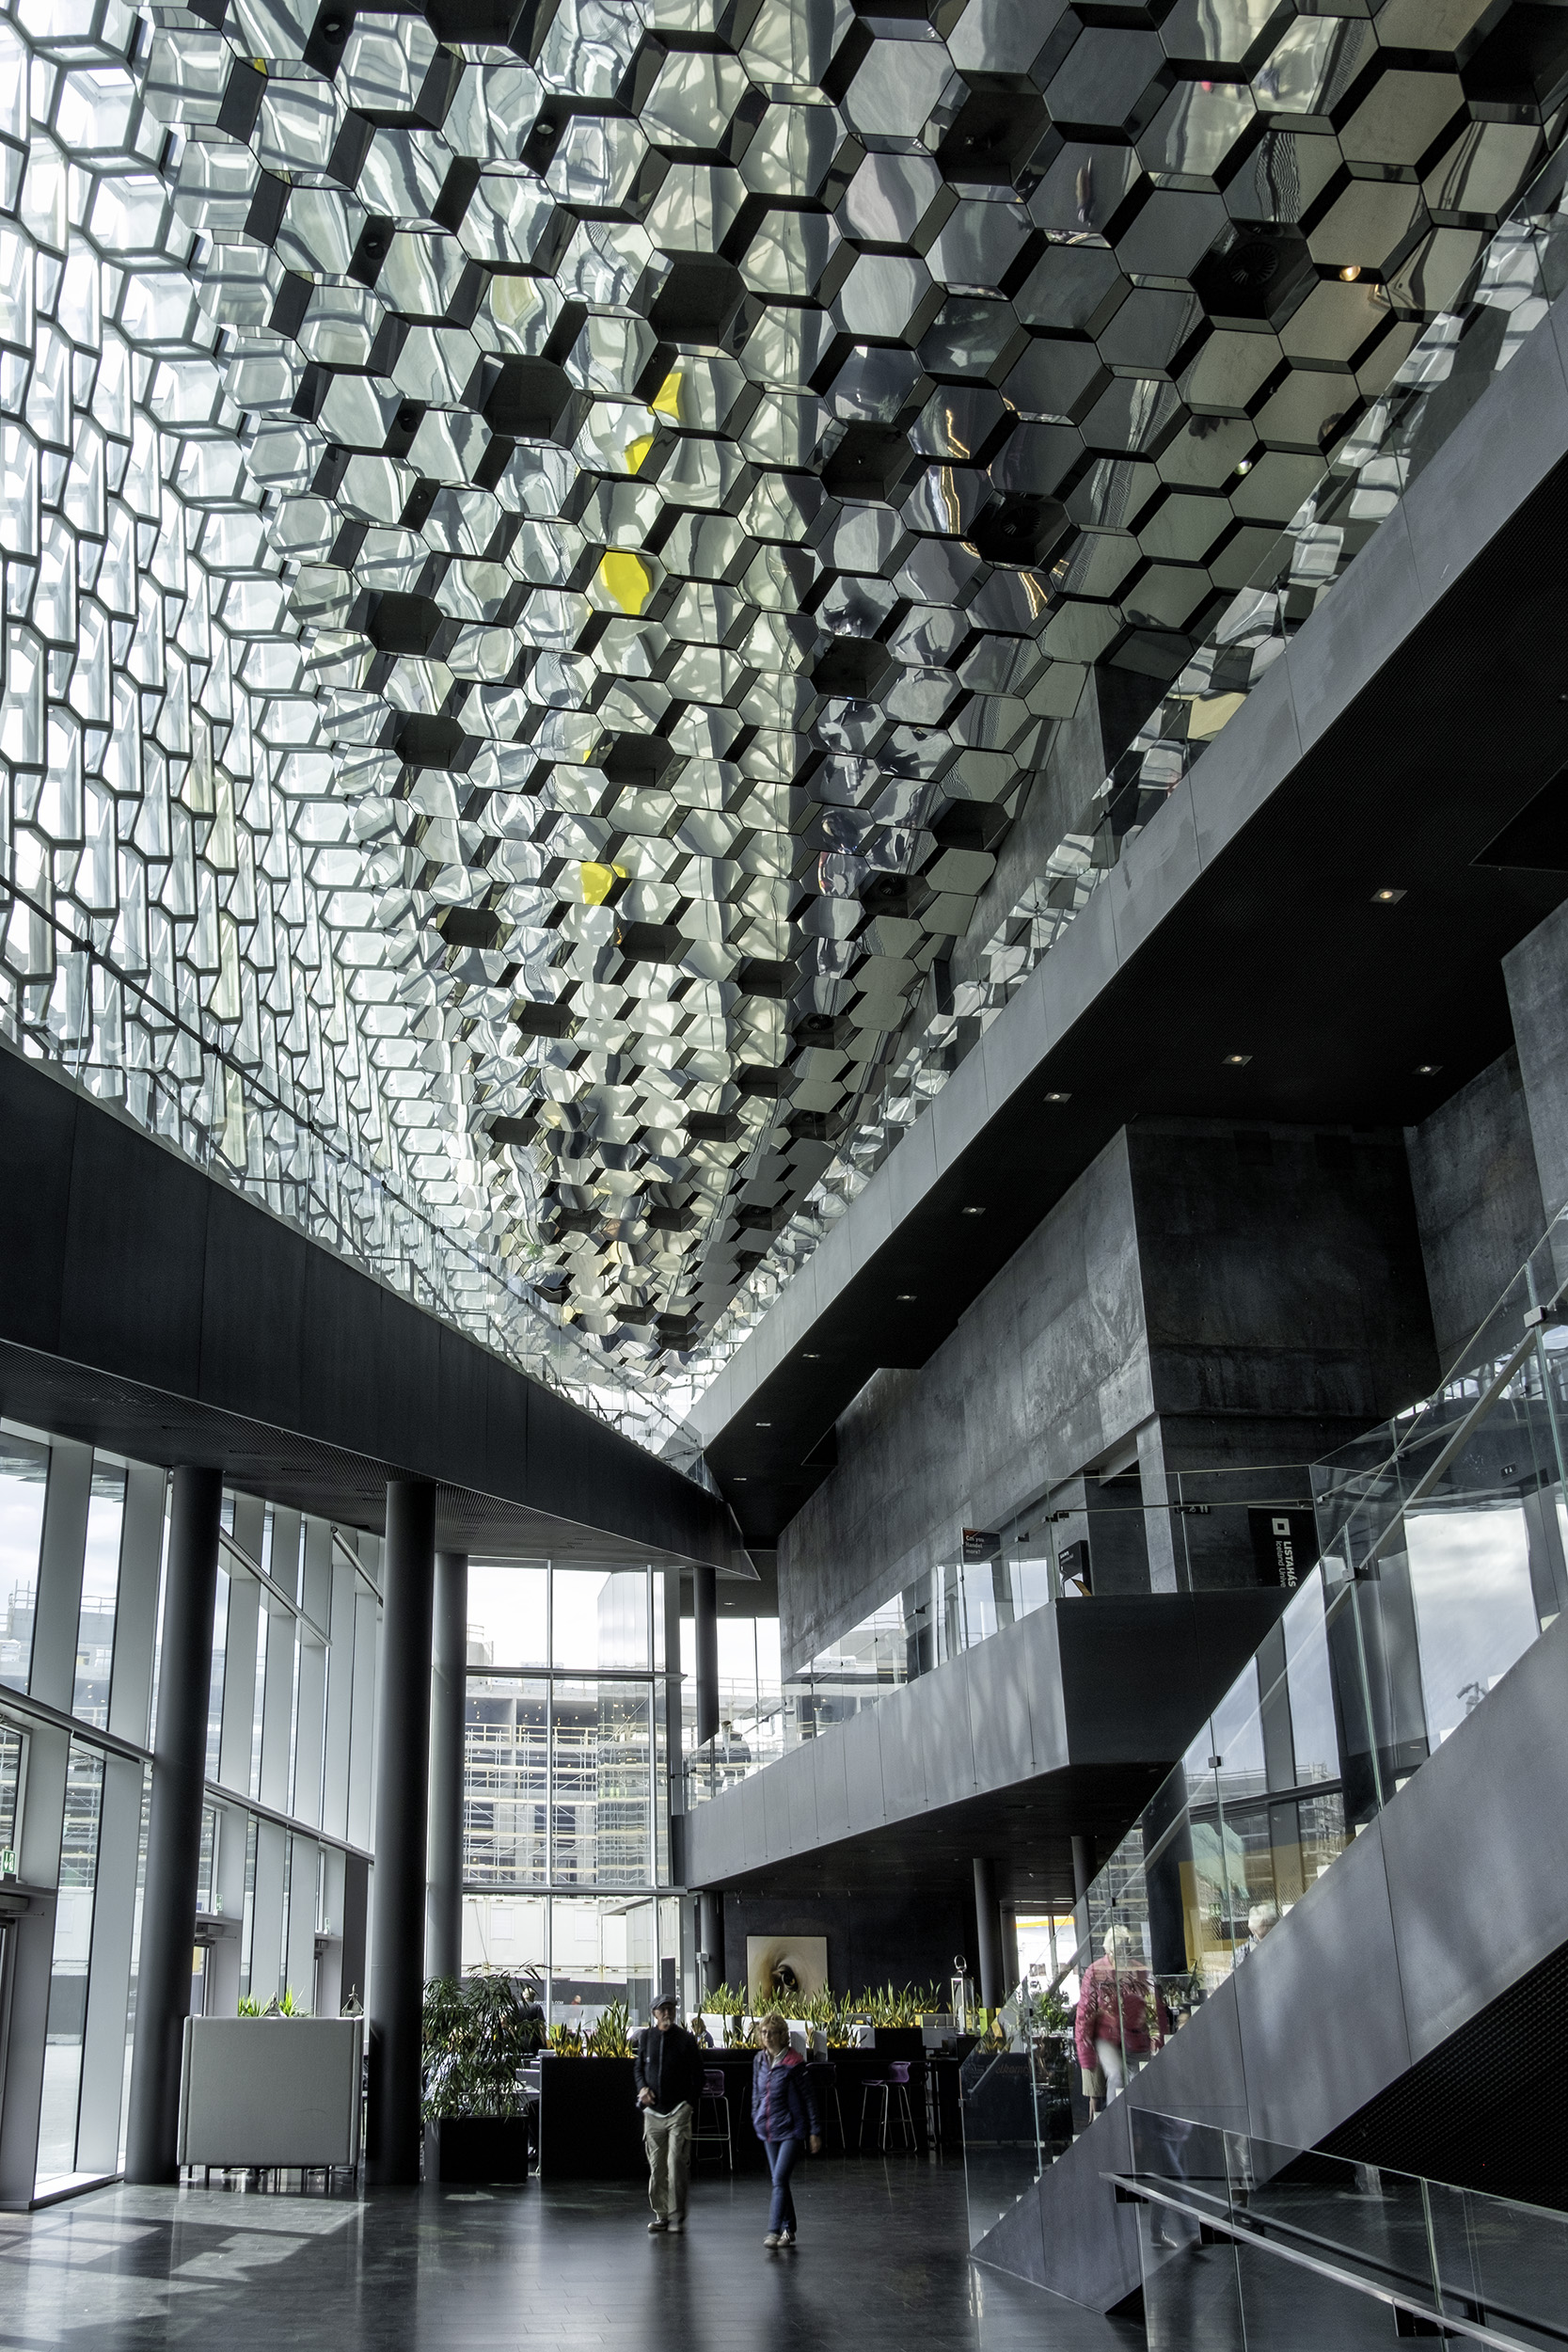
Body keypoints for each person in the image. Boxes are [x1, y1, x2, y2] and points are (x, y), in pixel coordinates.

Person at [634, 1994, 705, 2234]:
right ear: (654, 2013)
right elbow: (638, 2069)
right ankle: (661, 2215)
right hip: (653, 2113)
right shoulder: (646, 2037)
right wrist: (642, 2088)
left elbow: (699, 2075)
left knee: (675, 2163)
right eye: (662, 2009)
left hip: (678, 2111)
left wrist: (689, 2104)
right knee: (657, 2167)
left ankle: (677, 2215)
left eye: (671, 2009)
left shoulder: (685, 2040)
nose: (667, 2013)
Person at [751, 2014, 820, 2249]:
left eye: (771, 2032)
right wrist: (756, 2114)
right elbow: (756, 2092)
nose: (767, 2037)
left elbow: (809, 2099)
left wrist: (814, 2131)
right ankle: (789, 2229)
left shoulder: (794, 2062)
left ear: (782, 2035)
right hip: (768, 2129)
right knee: (780, 2181)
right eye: (763, 2032)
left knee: (779, 2179)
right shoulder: (759, 2060)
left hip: (791, 2129)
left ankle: (773, 2230)